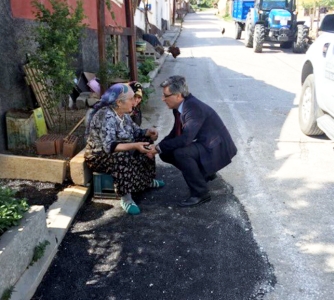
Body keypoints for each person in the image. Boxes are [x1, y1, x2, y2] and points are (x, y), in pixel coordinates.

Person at [149, 75, 237, 207]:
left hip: (217, 146)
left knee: (181, 153)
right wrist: (159, 147)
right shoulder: (179, 107)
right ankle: (204, 175)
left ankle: (200, 193)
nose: (163, 99)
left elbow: (185, 139)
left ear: (178, 95)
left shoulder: (193, 108)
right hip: (206, 143)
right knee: (166, 152)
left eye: (166, 96)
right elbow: (175, 132)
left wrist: (157, 148)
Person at [84, 83, 164, 215]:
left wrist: (148, 133)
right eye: (132, 99)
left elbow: (136, 132)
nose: (135, 101)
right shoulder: (105, 116)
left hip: (116, 150)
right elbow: (109, 147)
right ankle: (126, 198)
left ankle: (147, 180)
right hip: (99, 156)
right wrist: (134, 146)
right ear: (119, 102)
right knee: (122, 154)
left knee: (146, 142)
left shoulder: (123, 114)